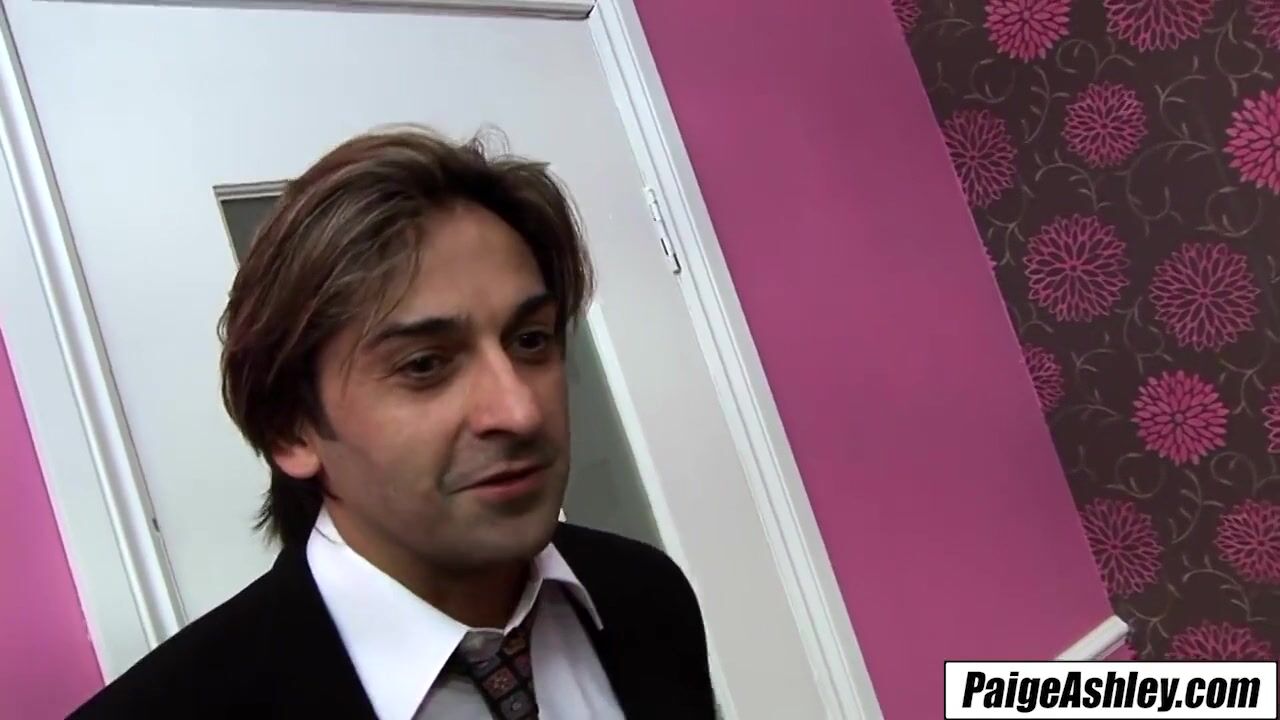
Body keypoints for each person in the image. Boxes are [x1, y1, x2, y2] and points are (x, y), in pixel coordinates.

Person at [69, 126, 716, 719]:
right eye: (425, 365)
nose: (519, 411)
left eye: (530, 341)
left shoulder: (645, 596)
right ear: (291, 428)